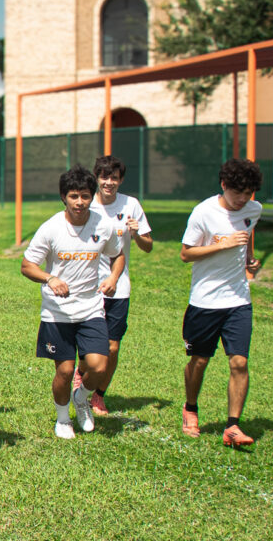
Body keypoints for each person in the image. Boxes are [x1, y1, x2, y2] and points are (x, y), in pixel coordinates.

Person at [20, 165, 124, 441]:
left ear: (92, 196)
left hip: (91, 308)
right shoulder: (51, 228)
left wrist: (113, 277)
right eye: (74, 196)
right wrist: (49, 278)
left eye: (86, 196)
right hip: (57, 312)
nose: (80, 202)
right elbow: (27, 265)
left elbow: (118, 254)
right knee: (65, 371)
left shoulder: (103, 225)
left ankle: (82, 398)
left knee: (99, 366)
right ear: (63, 197)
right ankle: (63, 418)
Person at [178, 158, 263, 448]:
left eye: (248, 193)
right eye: (237, 192)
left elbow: (248, 233)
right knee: (199, 361)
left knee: (239, 362)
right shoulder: (203, 212)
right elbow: (186, 254)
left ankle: (232, 426)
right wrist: (222, 245)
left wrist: (249, 258)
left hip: (238, 299)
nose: (242, 199)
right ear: (223, 185)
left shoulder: (254, 209)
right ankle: (190, 408)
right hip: (205, 300)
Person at [80, 155, 153, 415]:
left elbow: (148, 246)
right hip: (87, 286)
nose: (108, 182)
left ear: (120, 180)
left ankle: (98, 394)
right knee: (88, 343)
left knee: (112, 346)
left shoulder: (130, 205)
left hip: (119, 286)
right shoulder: (87, 203)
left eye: (114, 178)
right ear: (97, 178)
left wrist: (137, 233)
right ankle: (82, 374)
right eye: (104, 177)